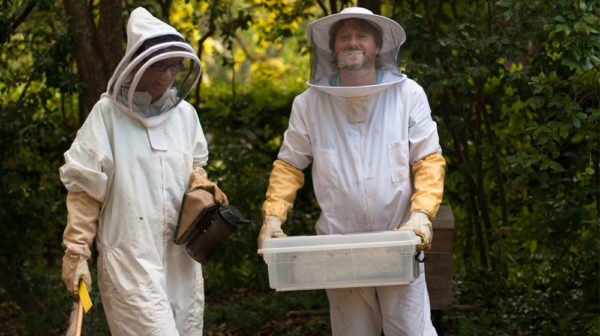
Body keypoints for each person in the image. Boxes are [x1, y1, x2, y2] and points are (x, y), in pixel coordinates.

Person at [257, 7, 445, 336]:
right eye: (344, 37)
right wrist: (273, 216)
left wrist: (422, 214)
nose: (352, 43)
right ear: (332, 48)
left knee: (411, 331)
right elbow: (289, 165)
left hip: (399, 240)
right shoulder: (308, 103)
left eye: (361, 36)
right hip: (339, 246)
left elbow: (427, 159)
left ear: (377, 46)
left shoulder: (408, 95)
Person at [59, 7, 227, 335]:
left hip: (182, 259)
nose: (166, 75)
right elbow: (85, 188)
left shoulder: (185, 115)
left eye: (173, 66)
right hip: (129, 259)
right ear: (137, 64)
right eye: (158, 65)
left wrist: (202, 185)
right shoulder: (107, 115)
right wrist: (77, 249)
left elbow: (194, 166)